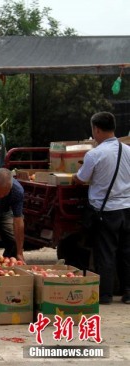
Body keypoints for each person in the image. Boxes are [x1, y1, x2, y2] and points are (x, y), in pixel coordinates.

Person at [73, 112, 130, 305]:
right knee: (127, 252)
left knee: (106, 253)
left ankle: (105, 295)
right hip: (127, 208)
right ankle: (128, 293)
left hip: (106, 211)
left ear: (96, 129)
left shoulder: (95, 154)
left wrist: (74, 176)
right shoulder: (128, 150)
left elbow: (81, 178)